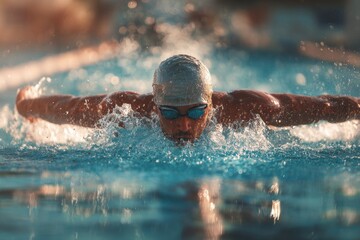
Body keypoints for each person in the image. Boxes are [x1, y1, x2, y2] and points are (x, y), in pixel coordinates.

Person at [16, 54, 360, 143]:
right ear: (154, 105)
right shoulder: (127, 111)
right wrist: (28, 105)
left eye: (196, 112)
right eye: (170, 113)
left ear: (211, 105)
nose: (183, 125)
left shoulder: (245, 108)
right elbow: (68, 108)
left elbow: (325, 107)